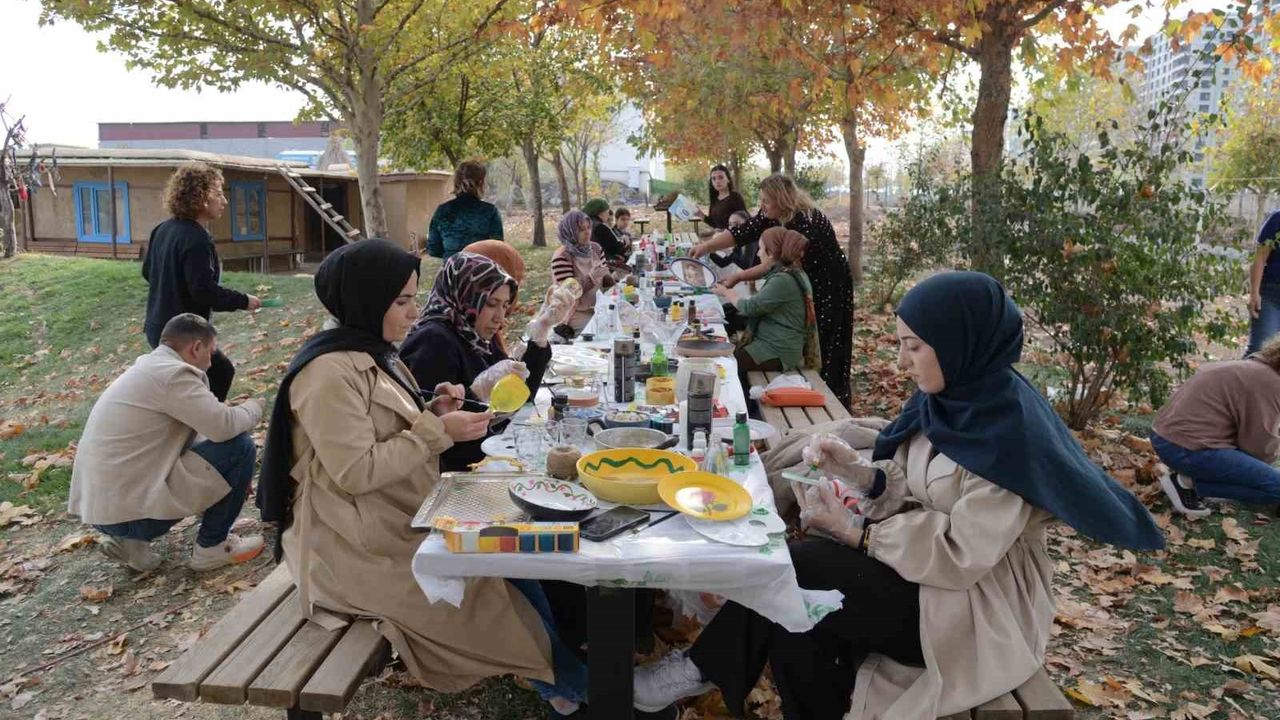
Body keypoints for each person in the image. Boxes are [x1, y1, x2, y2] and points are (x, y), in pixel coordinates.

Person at [632, 272, 1165, 720]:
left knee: (801, 567)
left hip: (973, 606)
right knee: (800, 618)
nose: (904, 362)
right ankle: (709, 670)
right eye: (900, 345)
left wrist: (859, 533)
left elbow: (962, 555)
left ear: (958, 343)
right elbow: (918, 482)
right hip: (921, 575)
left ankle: (701, 668)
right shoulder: (955, 399)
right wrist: (864, 477)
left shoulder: (1009, 436)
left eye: (914, 346)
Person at [256, 239, 587, 715]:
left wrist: (434, 408)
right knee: (493, 594)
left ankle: (569, 681)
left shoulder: (369, 351)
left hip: (396, 517)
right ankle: (583, 690)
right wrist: (436, 429)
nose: (415, 313)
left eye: (414, 299)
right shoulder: (327, 373)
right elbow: (355, 471)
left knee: (515, 568)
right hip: (352, 545)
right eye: (403, 301)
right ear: (368, 300)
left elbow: (389, 427)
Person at [68, 313, 264, 573]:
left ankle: (131, 543)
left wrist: (232, 483)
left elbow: (200, 437)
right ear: (196, 348)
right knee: (239, 447)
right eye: (211, 351)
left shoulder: (149, 368)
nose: (210, 361)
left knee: (216, 453)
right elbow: (224, 427)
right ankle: (212, 547)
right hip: (131, 516)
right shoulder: (174, 375)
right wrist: (254, 407)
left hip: (105, 511)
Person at [400, 252, 577, 471]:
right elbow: (440, 443)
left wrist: (540, 333)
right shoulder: (433, 342)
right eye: (492, 304)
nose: (500, 318)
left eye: (504, 306)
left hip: (489, 457)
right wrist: (474, 395)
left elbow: (521, 396)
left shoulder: (474, 332)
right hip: (459, 473)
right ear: (465, 296)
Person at [693, 174, 854, 407]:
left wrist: (737, 277)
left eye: (766, 201)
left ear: (782, 199)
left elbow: (771, 263)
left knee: (827, 338)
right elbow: (742, 232)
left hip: (829, 282)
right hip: (801, 278)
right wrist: (706, 246)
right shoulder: (772, 216)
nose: (762, 206)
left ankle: (828, 396)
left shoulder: (805, 222)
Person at [142, 162, 261, 402]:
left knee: (190, 386)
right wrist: (244, 300)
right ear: (201, 197)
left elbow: (148, 272)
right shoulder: (196, 237)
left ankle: (193, 430)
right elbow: (204, 292)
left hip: (157, 327)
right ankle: (206, 431)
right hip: (181, 336)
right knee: (220, 373)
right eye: (218, 194)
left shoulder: (162, 229)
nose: (224, 201)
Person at [1150, 335, 1280, 517]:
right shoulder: (1270, 383)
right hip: (1186, 448)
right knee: (1276, 488)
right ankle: (1188, 483)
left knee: (1265, 474)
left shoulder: (1254, 368)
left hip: (1166, 437)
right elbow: (1259, 448)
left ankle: (1198, 480)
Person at [713, 228, 815, 389]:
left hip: (778, 350)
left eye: (761, 249)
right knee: (728, 361)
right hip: (775, 344)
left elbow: (750, 307)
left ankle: (743, 407)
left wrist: (726, 292)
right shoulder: (791, 273)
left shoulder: (783, 280)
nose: (758, 254)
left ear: (772, 253)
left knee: (727, 366)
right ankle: (746, 401)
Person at [551, 210, 616, 333]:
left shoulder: (595, 248)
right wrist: (591, 278)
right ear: (570, 232)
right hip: (576, 312)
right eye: (581, 230)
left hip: (600, 307)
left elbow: (604, 280)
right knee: (602, 333)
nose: (587, 232)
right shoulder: (562, 257)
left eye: (588, 227)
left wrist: (614, 278)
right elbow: (569, 294)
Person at [427, 160, 505, 260]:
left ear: (456, 182)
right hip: (483, 272)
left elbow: (433, 249)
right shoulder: (490, 212)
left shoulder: (443, 211)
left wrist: (452, 252)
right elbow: (498, 248)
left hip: (451, 273)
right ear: (481, 183)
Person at [1247, 209, 1280, 354]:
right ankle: (1237, 376)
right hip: (1271, 295)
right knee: (1260, 351)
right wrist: (1254, 293)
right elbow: (1260, 258)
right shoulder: (1277, 219)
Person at [697, 164, 748, 232]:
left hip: (732, 239)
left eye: (721, 177)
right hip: (718, 237)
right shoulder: (715, 199)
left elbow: (745, 221)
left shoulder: (735, 197)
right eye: (714, 179)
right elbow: (714, 224)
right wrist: (700, 214)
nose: (717, 181)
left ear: (728, 179)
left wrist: (724, 231)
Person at [582, 197, 630, 263]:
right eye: (607, 212)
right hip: (602, 265)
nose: (608, 215)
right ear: (600, 212)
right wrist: (624, 241)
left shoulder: (585, 224)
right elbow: (617, 247)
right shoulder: (600, 227)